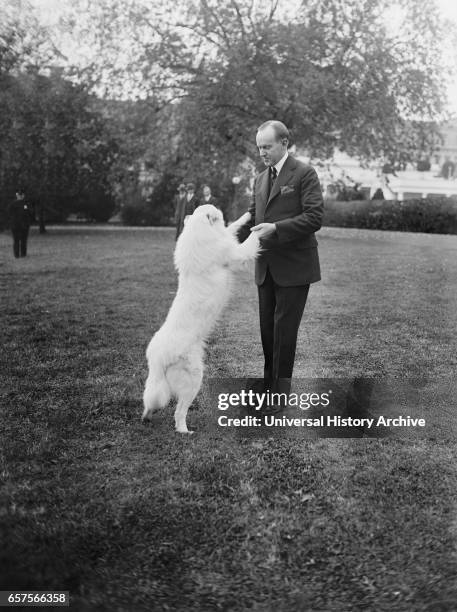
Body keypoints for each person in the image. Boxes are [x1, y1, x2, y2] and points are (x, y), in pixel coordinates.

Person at [238, 120, 324, 406]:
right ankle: (268, 385)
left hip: (294, 268)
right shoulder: (260, 178)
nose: (262, 152)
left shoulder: (304, 173)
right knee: (267, 331)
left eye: (267, 146)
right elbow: (252, 217)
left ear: (284, 143)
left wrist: (276, 228)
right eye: (259, 147)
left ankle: (280, 394)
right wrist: (217, 236)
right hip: (265, 268)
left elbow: (314, 217)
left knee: (284, 333)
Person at [9, 189, 33, 258]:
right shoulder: (12, 204)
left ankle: (23, 254)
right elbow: (9, 213)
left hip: (24, 225)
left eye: (21, 195)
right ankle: (16, 255)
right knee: (16, 240)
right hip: (15, 225)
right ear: (17, 195)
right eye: (18, 195)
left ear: (23, 195)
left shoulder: (26, 204)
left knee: (23, 240)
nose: (20, 196)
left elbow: (30, 213)